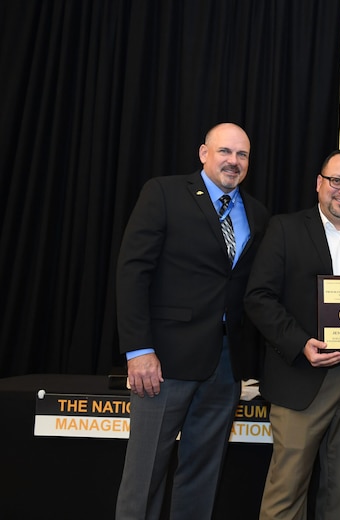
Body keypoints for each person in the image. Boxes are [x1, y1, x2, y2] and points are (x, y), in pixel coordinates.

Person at [115, 123, 270, 519]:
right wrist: (139, 349)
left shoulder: (257, 212)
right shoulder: (164, 193)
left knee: (203, 473)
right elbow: (133, 272)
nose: (233, 161)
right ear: (204, 153)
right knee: (144, 472)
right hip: (163, 361)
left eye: (242, 155)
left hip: (224, 364)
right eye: (225, 152)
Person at [243, 149, 340, 520]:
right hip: (301, 377)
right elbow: (258, 298)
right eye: (337, 181)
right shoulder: (285, 228)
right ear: (319, 183)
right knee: (286, 491)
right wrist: (301, 344)